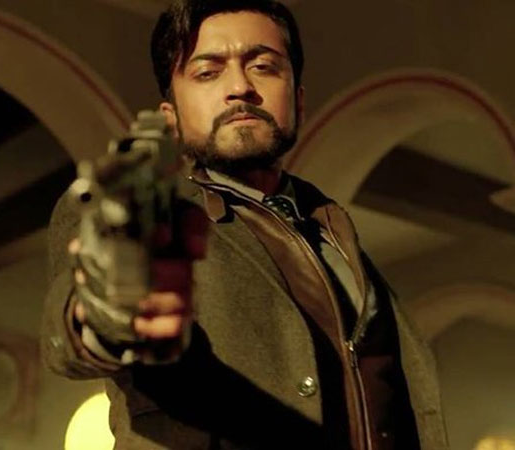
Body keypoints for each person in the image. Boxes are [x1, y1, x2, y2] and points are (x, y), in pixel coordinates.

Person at [42, 1, 449, 448]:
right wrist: (110, 303)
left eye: (264, 66)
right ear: (170, 117)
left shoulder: (330, 227)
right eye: (208, 72)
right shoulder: (142, 212)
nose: (240, 87)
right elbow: (76, 329)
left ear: (298, 100)